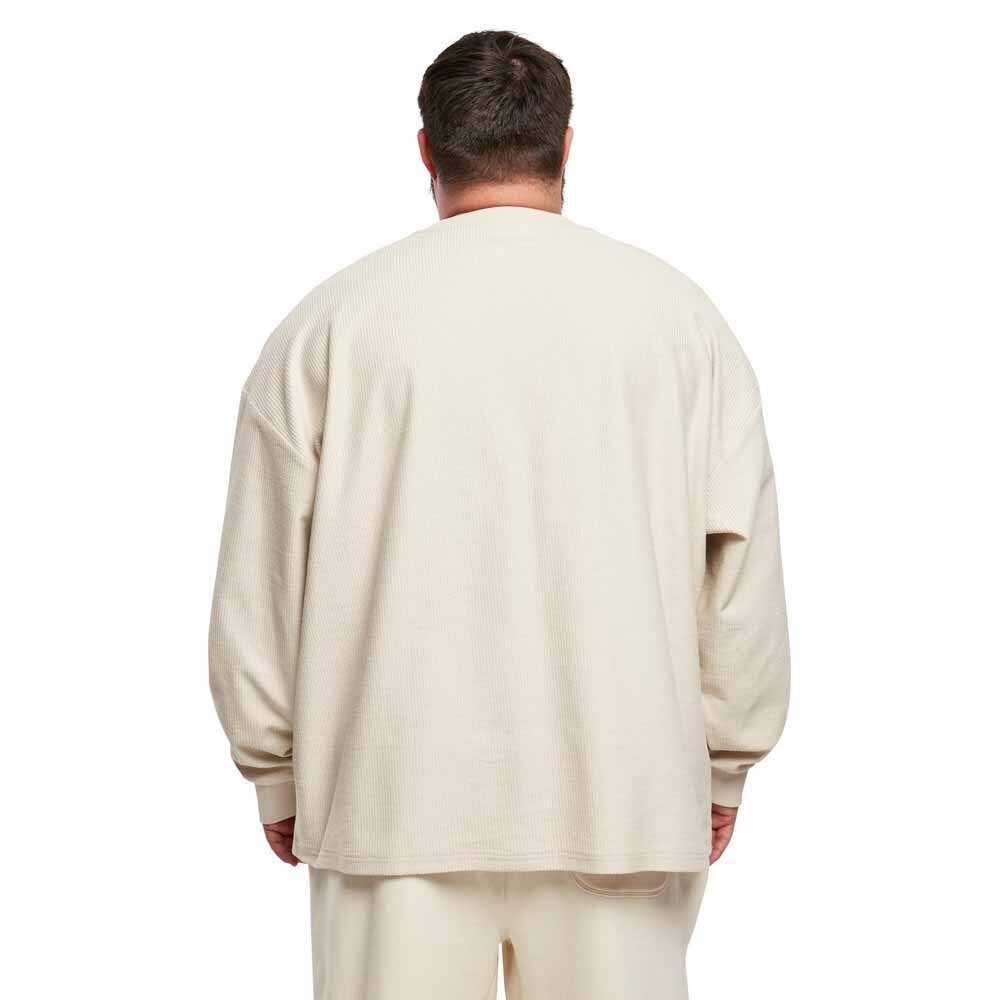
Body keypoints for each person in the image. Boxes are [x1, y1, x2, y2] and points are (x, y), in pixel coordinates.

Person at [209, 29, 790, 1000]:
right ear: (566, 144)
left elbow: (261, 577)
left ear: (426, 151)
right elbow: (739, 572)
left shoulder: (333, 323)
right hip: (623, 791)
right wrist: (723, 764)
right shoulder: (679, 321)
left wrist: (274, 767)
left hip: (391, 796)